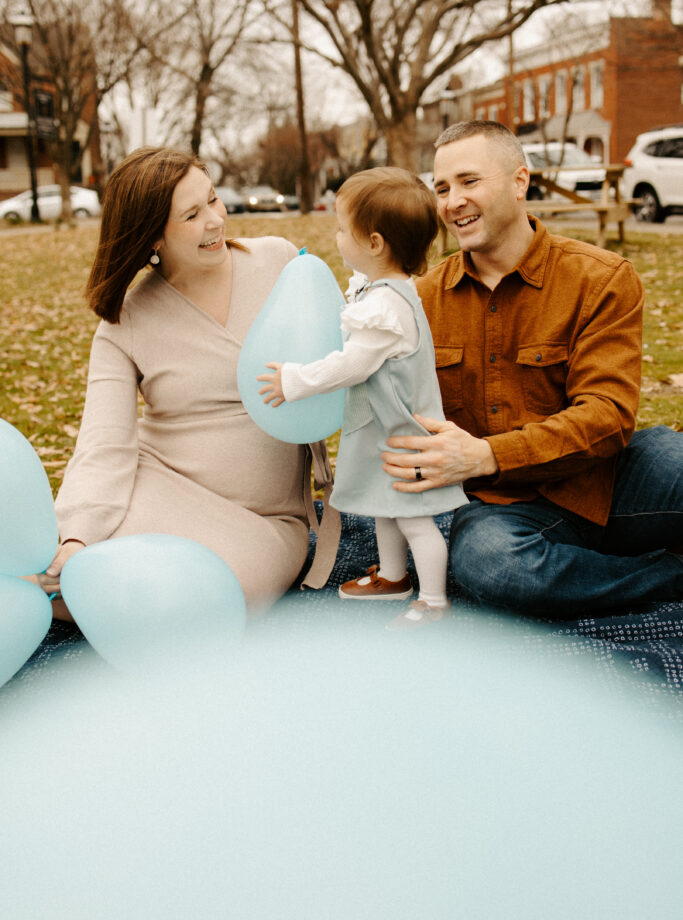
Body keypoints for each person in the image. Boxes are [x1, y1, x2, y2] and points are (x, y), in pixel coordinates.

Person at [380, 120, 683, 618]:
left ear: (520, 181)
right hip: (502, 510)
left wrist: (485, 454)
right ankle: (666, 574)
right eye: (442, 187)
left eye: (469, 181)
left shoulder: (601, 278)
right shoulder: (418, 302)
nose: (452, 201)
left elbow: (607, 416)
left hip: (609, 479)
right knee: (491, 565)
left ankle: (590, 564)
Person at [29, 147, 324, 620]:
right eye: (191, 214)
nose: (215, 220)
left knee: (215, 599)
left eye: (212, 200)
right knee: (60, 576)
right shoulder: (124, 322)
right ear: (153, 236)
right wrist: (78, 536)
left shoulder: (280, 262)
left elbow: (337, 363)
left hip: (264, 521)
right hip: (155, 486)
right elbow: (104, 443)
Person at [258, 167, 468, 627]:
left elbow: (352, 364)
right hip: (379, 425)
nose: (335, 236)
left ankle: (434, 601)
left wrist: (295, 380)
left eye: (340, 228)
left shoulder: (384, 307)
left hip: (400, 432)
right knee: (384, 506)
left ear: (374, 243)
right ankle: (394, 577)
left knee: (413, 518)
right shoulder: (380, 290)